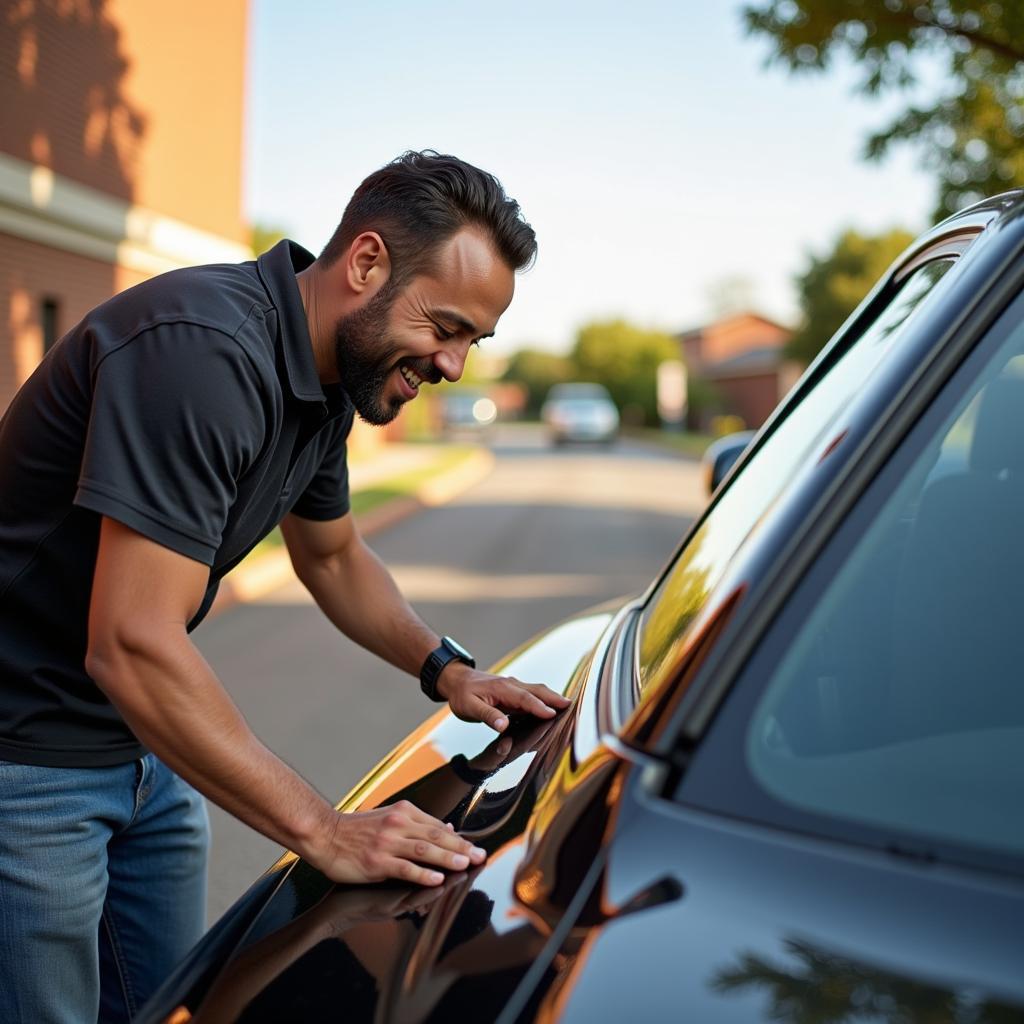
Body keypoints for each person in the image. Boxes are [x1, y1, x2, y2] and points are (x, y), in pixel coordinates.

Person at [0, 150, 570, 1022]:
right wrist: (325, 829)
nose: (455, 365)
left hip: (143, 744)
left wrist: (449, 671)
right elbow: (131, 640)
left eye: (473, 343)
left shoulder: (333, 375)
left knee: (173, 1006)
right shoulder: (203, 352)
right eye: (446, 327)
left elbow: (333, 556)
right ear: (368, 263)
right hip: (24, 761)